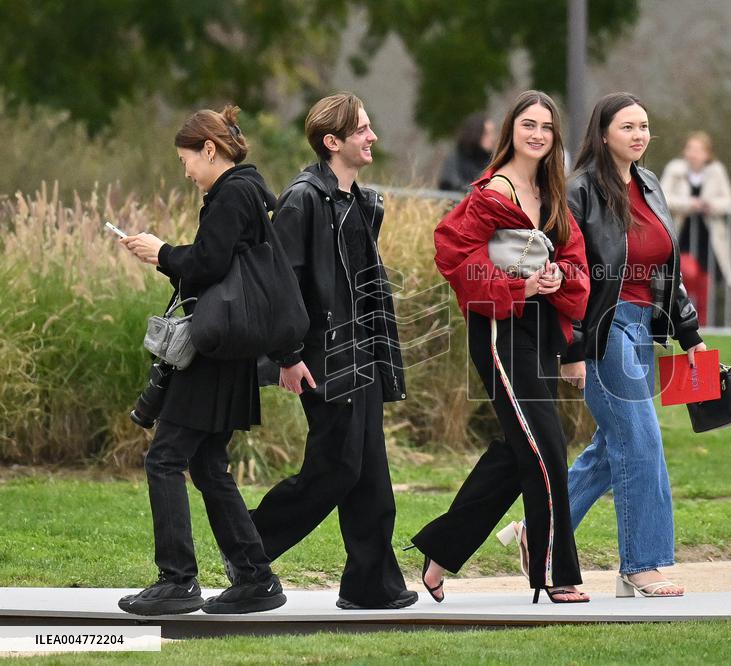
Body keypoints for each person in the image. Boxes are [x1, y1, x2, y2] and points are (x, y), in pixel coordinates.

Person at [411, 90, 591, 604]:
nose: (537, 134)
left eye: (547, 127)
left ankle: (441, 550)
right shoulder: (492, 193)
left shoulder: (554, 196)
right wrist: (519, 287)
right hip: (500, 333)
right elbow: (454, 255)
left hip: (540, 333)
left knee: (520, 451)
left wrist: (560, 277)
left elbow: (577, 259)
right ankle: (556, 571)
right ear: (511, 129)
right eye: (528, 124)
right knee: (546, 446)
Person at [247, 92, 417, 610]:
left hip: (361, 352)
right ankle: (247, 546)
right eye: (362, 129)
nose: (372, 137)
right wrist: (288, 356)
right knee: (337, 467)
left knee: (369, 473)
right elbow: (282, 285)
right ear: (332, 142)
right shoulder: (302, 199)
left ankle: (371, 585)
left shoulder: (361, 202)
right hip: (323, 356)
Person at [117, 105, 286, 616]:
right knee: (209, 465)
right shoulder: (249, 190)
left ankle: (177, 580)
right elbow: (218, 269)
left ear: (209, 150)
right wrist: (169, 259)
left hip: (213, 353)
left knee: (164, 458)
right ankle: (255, 577)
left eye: (186, 160)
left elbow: (209, 264)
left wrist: (163, 252)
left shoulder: (231, 192)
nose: (185, 171)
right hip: (230, 350)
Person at [554, 92, 706, 598]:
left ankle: (540, 535)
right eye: (628, 127)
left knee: (610, 447)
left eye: (645, 126)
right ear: (602, 134)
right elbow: (569, 277)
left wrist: (690, 335)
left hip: (645, 327)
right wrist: (572, 349)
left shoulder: (650, 183)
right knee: (641, 440)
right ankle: (641, 565)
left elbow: (668, 268)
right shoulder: (578, 191)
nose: (639, 135)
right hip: (605, 328)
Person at [661, 131, 731, 325]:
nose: (693, 153)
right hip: (682, 234)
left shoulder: (716, 171)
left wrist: (709, 205)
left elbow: (728, 200)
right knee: (687, 271)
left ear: (707, 153)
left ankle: (700, 327)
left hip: (708, 237)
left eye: (698, 150)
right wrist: (688, 204)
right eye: (690, 148)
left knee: (705, 284)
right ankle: (685, 314)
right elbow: (662, 196)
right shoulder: (675, 170)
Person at [438, 113, 497, 192]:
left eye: (492, 133)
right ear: (475, 133)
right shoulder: (455, 160)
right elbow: (451, 184)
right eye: (486, 133)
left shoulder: (493, 162)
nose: (492, 138)